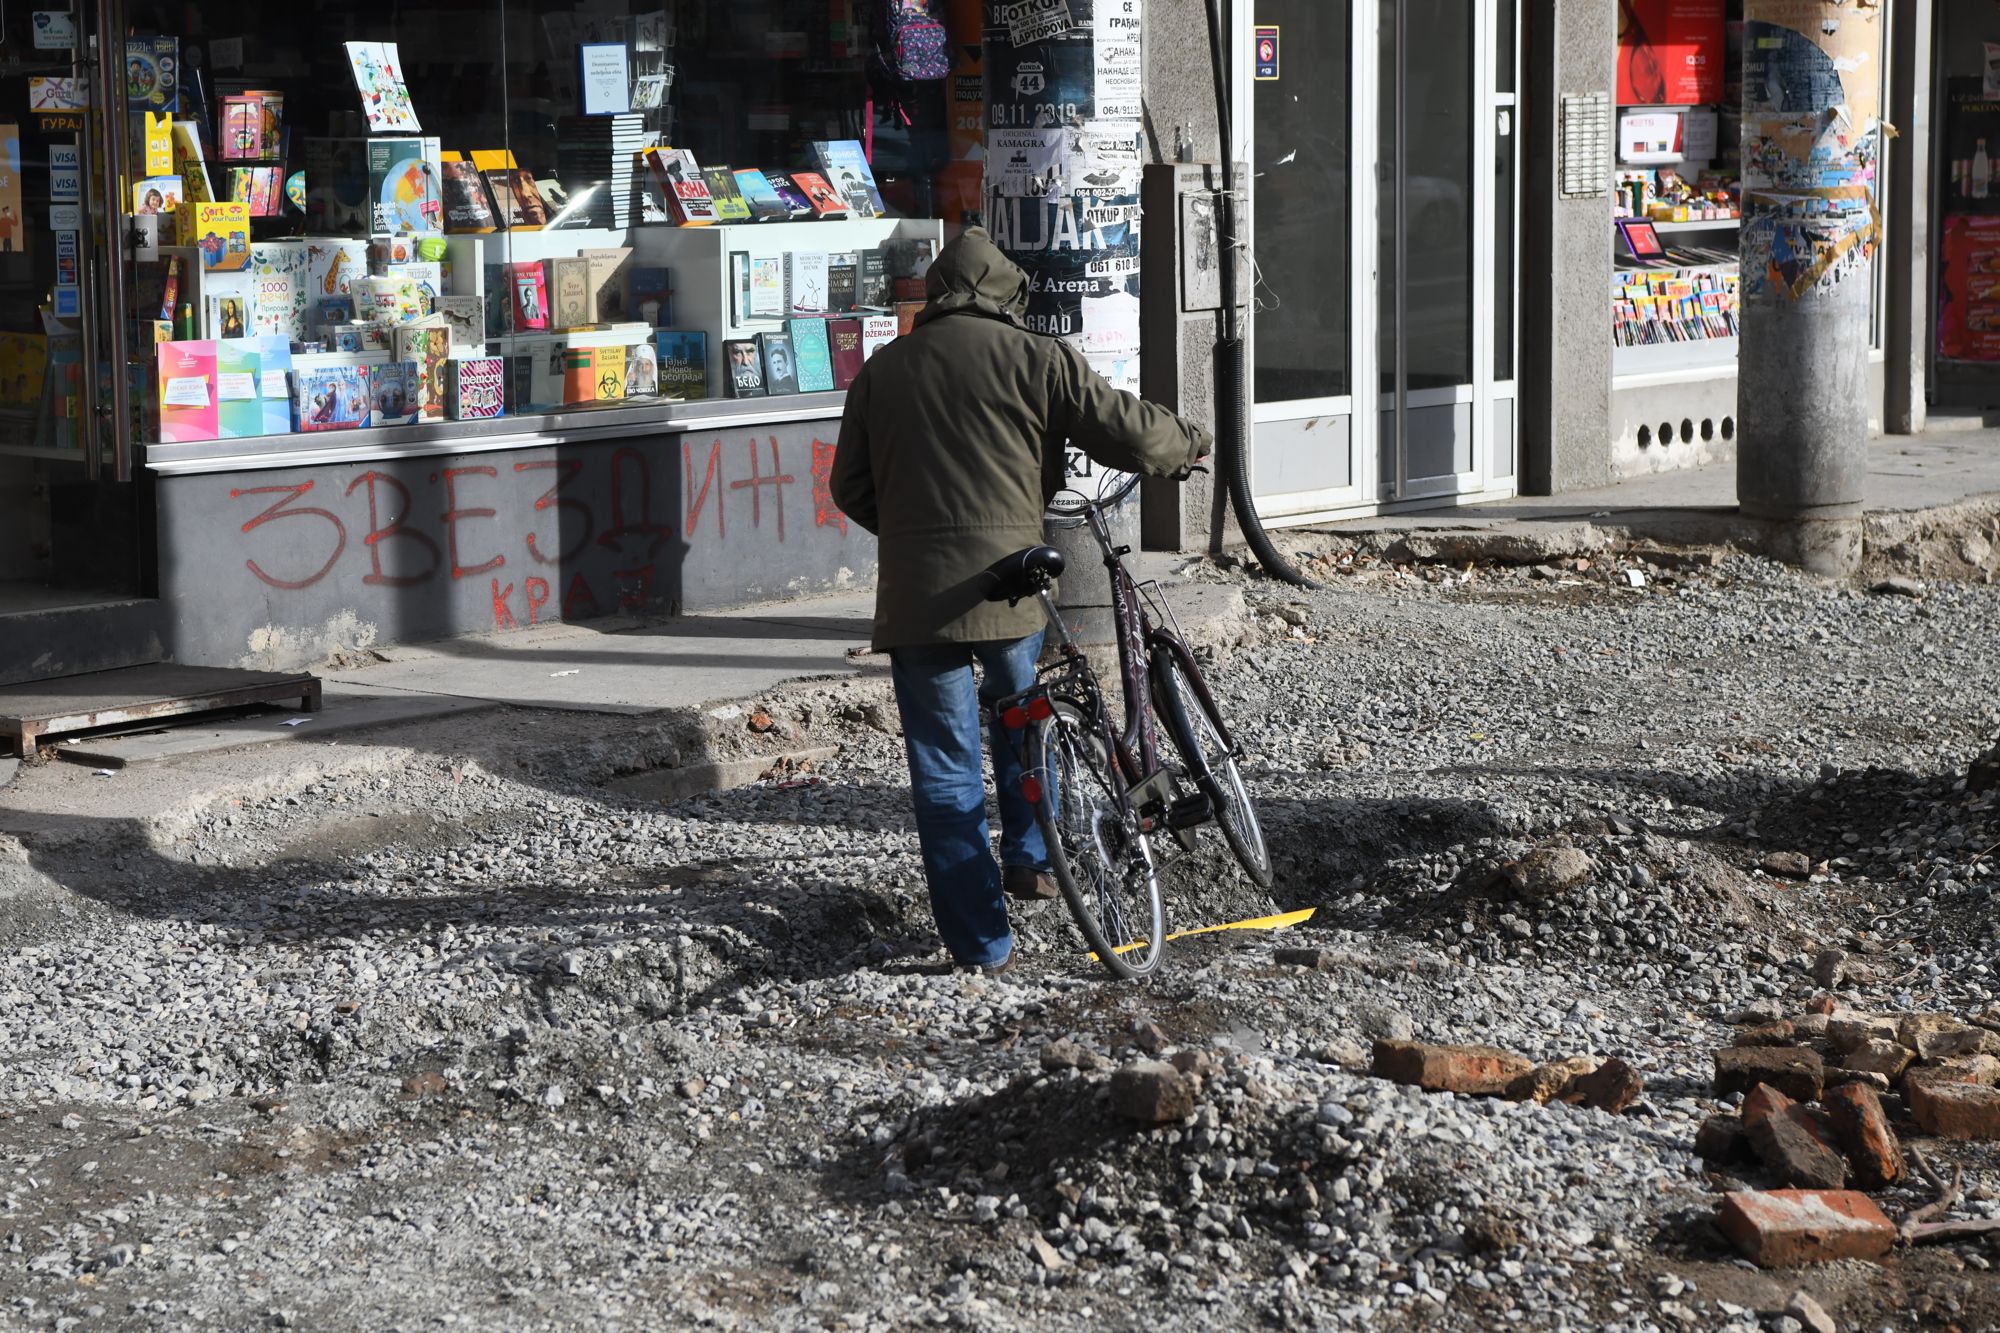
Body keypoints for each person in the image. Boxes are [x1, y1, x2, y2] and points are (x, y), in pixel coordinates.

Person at [831, 228, 1208, 975]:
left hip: (918, 602)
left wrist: (911, 535)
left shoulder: (882, 371)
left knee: (944, 771)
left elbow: (850, 487)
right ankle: (1035, 856)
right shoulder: (1036, 358)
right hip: (1011, 586)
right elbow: (1125, 428)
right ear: (1008, 295)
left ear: (937, 296)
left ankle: (982, 945)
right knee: (1024, 715)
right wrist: (1190, 440)